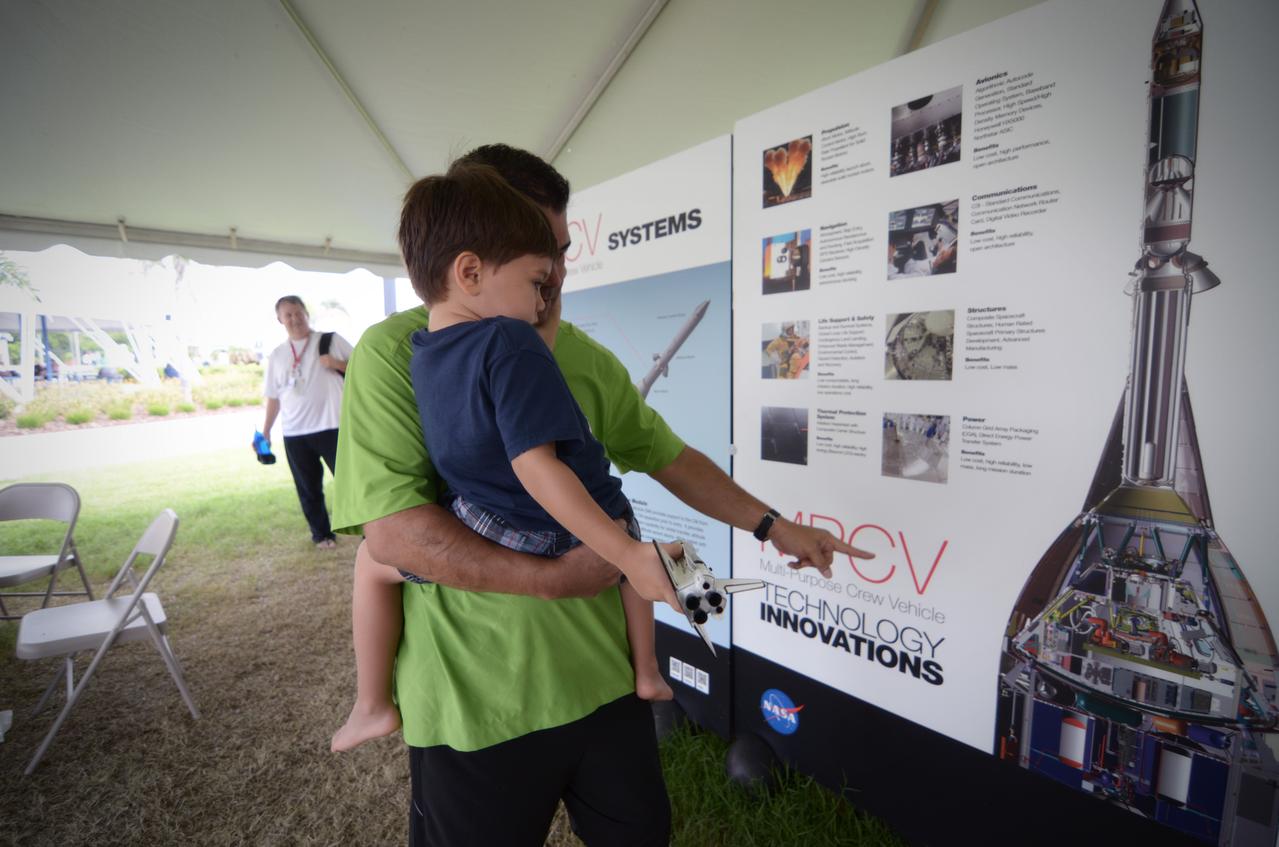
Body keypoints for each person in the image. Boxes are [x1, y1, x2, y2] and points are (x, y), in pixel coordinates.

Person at [330, 143, 871, 847]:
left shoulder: (580, 355)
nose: (555, 276)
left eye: (557, 251)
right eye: (539, 259)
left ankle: (666, 647)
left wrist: (772, 526)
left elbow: (668, 457)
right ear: (475, 257)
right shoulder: (395, 352)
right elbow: (395, 535)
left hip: (605, 686)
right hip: (476, 706)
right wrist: (553, 579)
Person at [331, 162, 681, 755]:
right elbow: (533, 461)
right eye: (537, 281)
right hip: (549, 529)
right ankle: (647, 670)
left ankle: (371, 703)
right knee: (636, 552)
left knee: (371, 562)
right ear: (470, 271)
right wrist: (623, 551)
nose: (547, 296)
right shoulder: (510, 339)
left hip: (483, 516)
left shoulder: (422, 348)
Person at [262, 295, 351, 549]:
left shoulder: (329, 340)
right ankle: (321, 535)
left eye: (298, 312)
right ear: (280, 319)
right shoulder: (277, 355)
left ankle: (369, 529)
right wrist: (266, 431)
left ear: (306, 314)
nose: (294, 319)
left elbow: (362, 367)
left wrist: (334, 363)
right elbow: (273, 397)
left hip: (332, 426)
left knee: (349, 481)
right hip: (295, 433)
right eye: (288, 314)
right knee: (308, 488)